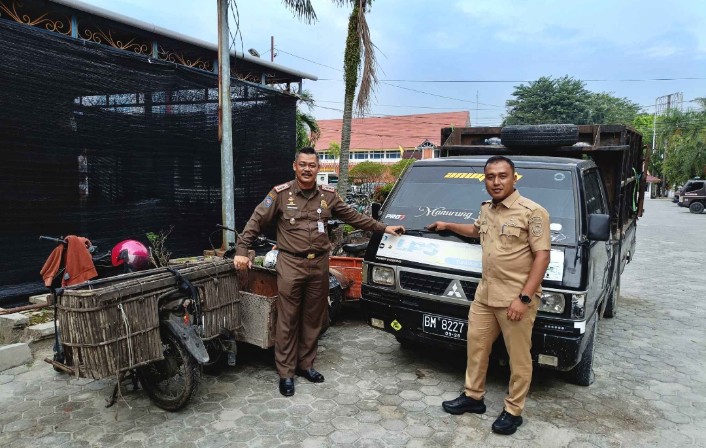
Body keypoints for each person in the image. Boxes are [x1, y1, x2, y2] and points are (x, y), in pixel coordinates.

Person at [233, 147, 404, 397]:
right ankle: (286, 373)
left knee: (314, 318)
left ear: (318, 168)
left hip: (319, 265)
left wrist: (384, 227)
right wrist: (241, 250)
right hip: (291, 263)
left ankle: (306, 365)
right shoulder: (280, 194)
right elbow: (256, 221)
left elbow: (354, 217)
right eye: (302, 164)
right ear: (295, 166)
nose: (307, 169)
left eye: (311, 165)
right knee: (288, 319)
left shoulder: (328, 196)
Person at [427, 155, 550, 435]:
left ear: (514, 178)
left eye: (502, 176)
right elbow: (475, 230)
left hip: (515, 298)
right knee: (476, 348)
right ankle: (473, 397)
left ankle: (513, 410)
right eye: (490, 176)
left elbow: (542, 257)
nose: (496, 181)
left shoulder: (533, 212)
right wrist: (448, 225)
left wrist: (524, 298)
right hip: (485, 295)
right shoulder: (487, 209)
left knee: (519, 359)